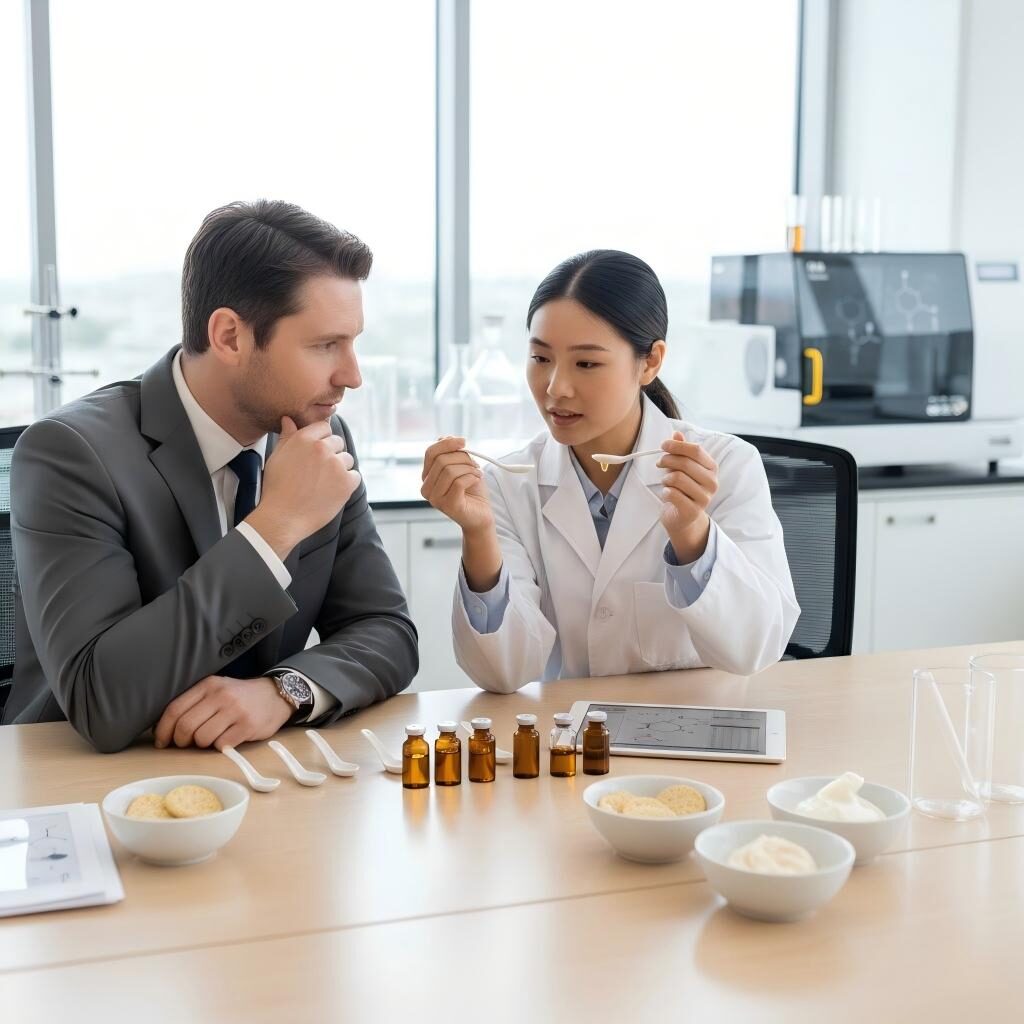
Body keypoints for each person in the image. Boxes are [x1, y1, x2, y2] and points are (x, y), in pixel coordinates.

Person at [3, 200, 418, 751]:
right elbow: (99, 699)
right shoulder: (70, 454)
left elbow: (389, 632)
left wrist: (281, 692)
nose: (352, 375)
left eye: (353, 342)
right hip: (85, 783)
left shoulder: (319, 438)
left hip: (256, 774)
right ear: (228, 336)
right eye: (324, 346)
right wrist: (275, 527)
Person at [421, 249, 798, 692]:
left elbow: (755, 647)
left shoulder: (727, 465)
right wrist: (479, 534)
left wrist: (693, 534)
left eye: (586, 363)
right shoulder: (508, 484)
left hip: (692, 736)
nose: (555, 388)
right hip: (572, 742)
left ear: (651, 362)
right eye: (541, 359)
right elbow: (503, 672)